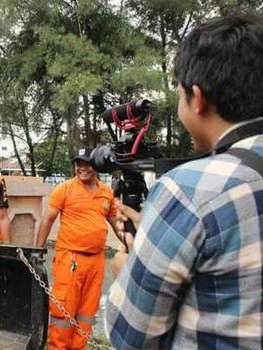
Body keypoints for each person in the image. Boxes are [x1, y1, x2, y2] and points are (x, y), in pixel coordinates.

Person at [106, 14, 263, 349]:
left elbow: (131, 336)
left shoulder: (190, 189)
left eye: (180, 97)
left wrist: (127, 268)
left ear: (197, 97)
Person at [35, 146, 121, 350]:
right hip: (70, 259)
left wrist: (133, 245)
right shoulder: (64, 189)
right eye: (78, 163)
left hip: (97, 261)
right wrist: (37, 251)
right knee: (63, 313)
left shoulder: (106, 192)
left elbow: (116, 222)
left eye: (86, 163)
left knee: (86, 314)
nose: (82, 168)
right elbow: (47, 219)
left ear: (96, 166)